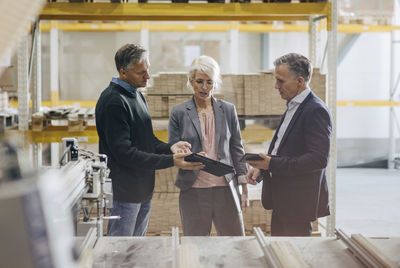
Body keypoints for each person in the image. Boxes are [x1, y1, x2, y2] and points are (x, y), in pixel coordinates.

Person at [95, 44, 203, 237]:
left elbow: (147, 140)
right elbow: (125, 154)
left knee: (136, 250)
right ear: (123, 72)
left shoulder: (136, 96)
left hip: (143, 190)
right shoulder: (114, 102)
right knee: (121, 253)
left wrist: (171, 148)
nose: (148, 76)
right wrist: (171, 161)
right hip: (125, 194)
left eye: (148, 70)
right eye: (141, 72)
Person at [246, 53, 332, 237]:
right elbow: (283, 149)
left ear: (299, 82)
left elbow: (318, 159)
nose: (276, 86)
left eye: (280, 81)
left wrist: (271, 164)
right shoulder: (293, 106)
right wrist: (263, 169)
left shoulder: (315, 110)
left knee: (293, 257)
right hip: (282, 200)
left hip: (297, 204)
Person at [168, 55, 248, 236]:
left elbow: (236, 146)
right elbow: (172, 145)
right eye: (199, 81)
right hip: (193, 189)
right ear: (191, 81)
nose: (204, 87)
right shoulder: (179, 112)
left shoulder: (228, 110)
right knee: (196, 243)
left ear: (215, 83)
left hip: (225, 188)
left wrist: (242, 182)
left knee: (233, 241)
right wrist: (180, 150)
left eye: (210, 82)